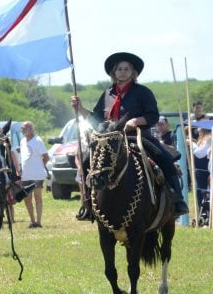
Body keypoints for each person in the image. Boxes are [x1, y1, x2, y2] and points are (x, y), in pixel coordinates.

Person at [72, 52, 188, 216]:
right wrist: (81, 109)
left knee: (165, 159)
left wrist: (136, 121)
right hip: (110, 140)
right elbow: (97, 119)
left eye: (127, 69)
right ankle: (88, 204)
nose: (123, 72)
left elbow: (153, 115)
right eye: (119, 69)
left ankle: (177, 200)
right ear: (114, 72)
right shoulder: (107, 94)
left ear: (133, 72)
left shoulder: (143, 92)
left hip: (137, 136)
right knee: (85, 163)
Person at [19, 121, 49, 228]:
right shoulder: (22, 141)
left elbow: (46, 157)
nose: (22, 130)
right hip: (26, 175)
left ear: (31, 128)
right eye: (22, 128)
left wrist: (40, 167)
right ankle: (32, 221)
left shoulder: (38, 141)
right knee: (27, 199)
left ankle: (38, 221)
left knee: (38, 198)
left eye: (25, 127)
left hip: (37, 175)